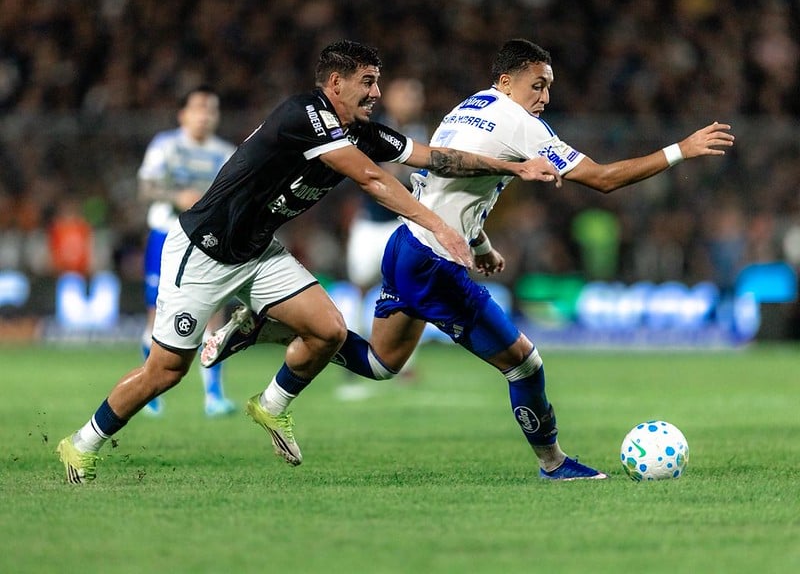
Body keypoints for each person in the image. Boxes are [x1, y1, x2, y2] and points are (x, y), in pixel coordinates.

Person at [201, 38, 734, 480]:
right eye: (537, 84)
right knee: (524, 362)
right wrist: (679, 151)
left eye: (550, 87)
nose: (545, 96)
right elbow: (602, 180)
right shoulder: (519, 123)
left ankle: (266, 327)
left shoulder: (469, 108)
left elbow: (455, 183)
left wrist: (479, 244)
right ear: (507, 82)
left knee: (382, 365)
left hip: (408, 246)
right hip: (434, 259)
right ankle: (553, 463)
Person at [56, 39, 560, 483]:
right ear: (336, 83)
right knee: (165, 371)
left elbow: (435, 157)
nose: (376, 93)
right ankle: (82, 442)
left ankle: (269, 395)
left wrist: (512, 165)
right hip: (202, 251)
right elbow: (373, 181)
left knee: (330, 331)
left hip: (257, 251)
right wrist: (440, 224)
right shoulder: (305, 116)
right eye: (368, 82)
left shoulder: (359, 128)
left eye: (378, 82)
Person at [136, 85, 237, 417]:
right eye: (198, 109)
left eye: (211, 110)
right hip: (166, 236)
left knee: (215, 314)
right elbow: (146, 188)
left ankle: (214, 396)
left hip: (206, 240)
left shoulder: (225, 152)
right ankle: (149, 392)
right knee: (157, 314)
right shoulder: (166, 146)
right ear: (183, 114)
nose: (205, 116)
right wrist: (176, 196)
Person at [337, 77, 428, 401]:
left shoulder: (421, 133)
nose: (413, 98)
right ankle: (351, 363)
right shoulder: (372, 129)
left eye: (415, 93)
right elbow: (378, 177)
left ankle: (405, 364)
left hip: (401, 224)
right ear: (391, 97)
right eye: (407, 91)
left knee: (409, 290)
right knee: (360, 289)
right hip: (370, 224)